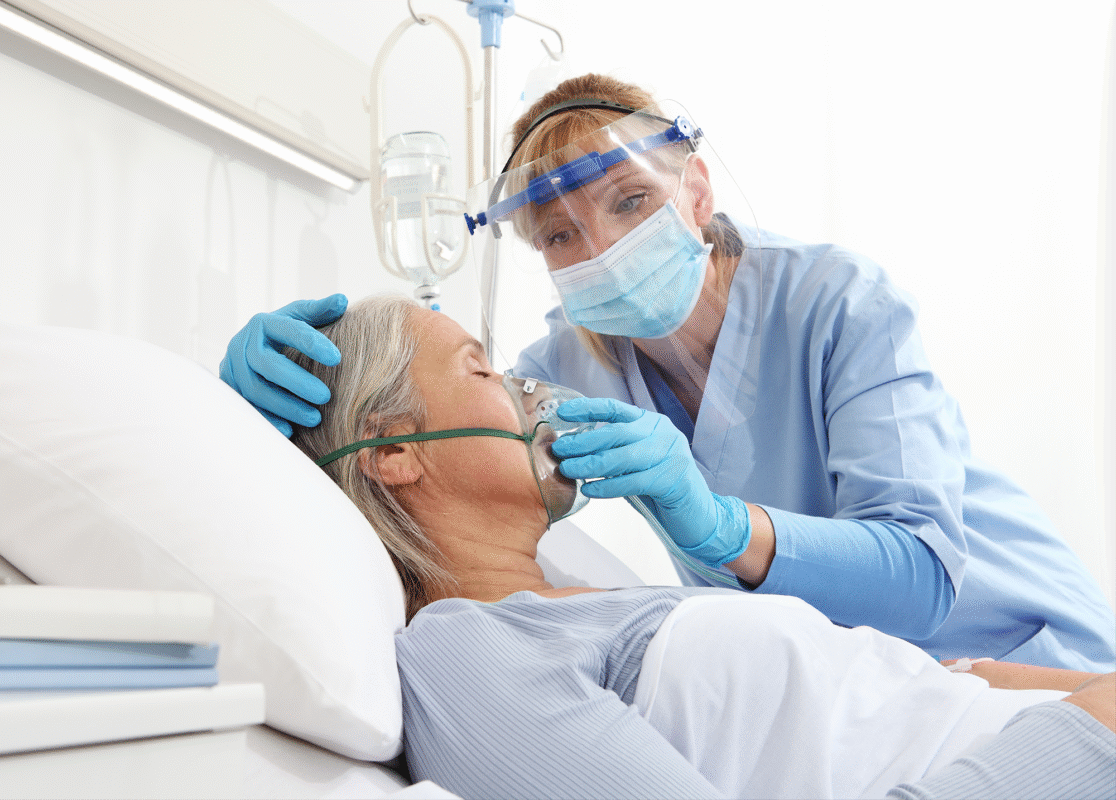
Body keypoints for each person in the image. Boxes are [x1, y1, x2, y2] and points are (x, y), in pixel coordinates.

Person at [221, 73, 1115, 672]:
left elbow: (923, 574)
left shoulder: (839, 301)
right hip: (868, 694)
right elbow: (425, 447)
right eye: (561, 234)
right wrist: (250, 416)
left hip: (1025, 656)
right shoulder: (560, 371)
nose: (599, 246)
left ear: (696, 194)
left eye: (631, 201)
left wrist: (723, 527)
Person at [282, 292, 1114, 800]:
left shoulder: (601, 601)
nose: (531, 389)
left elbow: (908, 684)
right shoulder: (466, 652)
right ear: (390, 449)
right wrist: (1089, 739)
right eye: (482, 371)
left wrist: (1089, 696)